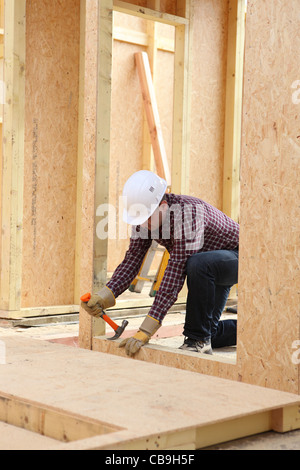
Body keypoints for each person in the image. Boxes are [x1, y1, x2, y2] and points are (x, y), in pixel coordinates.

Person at [81, 170, 239, 357]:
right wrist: (106, 295)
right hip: (209, 268)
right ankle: (248, 331)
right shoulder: (145, 218)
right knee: (210, 331)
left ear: (163, 207)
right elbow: (132, 260)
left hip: (239, 258)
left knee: (197, 264)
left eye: (147, 218)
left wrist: (147, 329)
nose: (143, 224)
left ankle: (197, 341)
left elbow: (174, 275)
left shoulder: (189, 215)